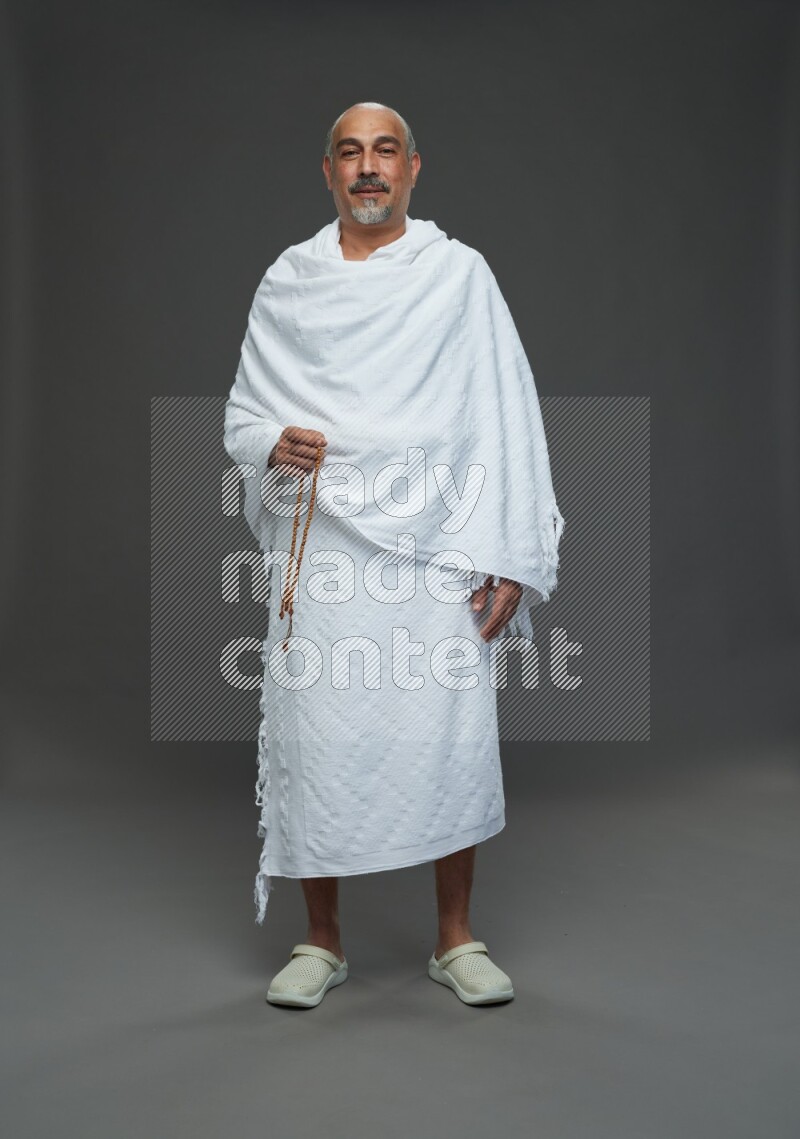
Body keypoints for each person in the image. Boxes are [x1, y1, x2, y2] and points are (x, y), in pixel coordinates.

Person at [223, 102, 565, 1008]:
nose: (368, 167)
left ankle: (455, 937)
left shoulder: (458, 276)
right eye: (350, 152)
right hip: (326, 547)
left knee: (448, 736)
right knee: (316, 733)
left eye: (385, 151)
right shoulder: (290, 281)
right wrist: (270, 443)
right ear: (327, 171)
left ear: (414, 167)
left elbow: (505, 414)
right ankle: (320, 939)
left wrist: (510, 553)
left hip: (439, 547)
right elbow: (243, 414)